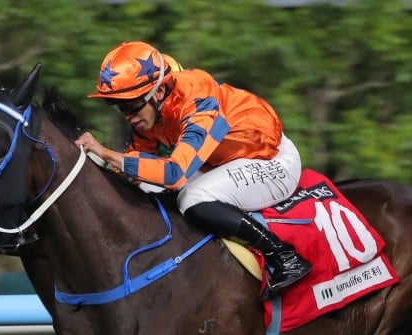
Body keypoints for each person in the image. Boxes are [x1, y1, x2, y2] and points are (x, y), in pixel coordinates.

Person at [76, 41, 311, 298]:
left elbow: (174, 175)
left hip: (271, 161)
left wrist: (106, 153)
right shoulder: (150, 114)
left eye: (131, 105)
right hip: (222, 161)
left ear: (158, 92)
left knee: (192, 198)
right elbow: (134, 168)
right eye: (121, 107)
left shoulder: (198, 102)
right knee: (148, 187)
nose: (128, 116)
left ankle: (283, 255)